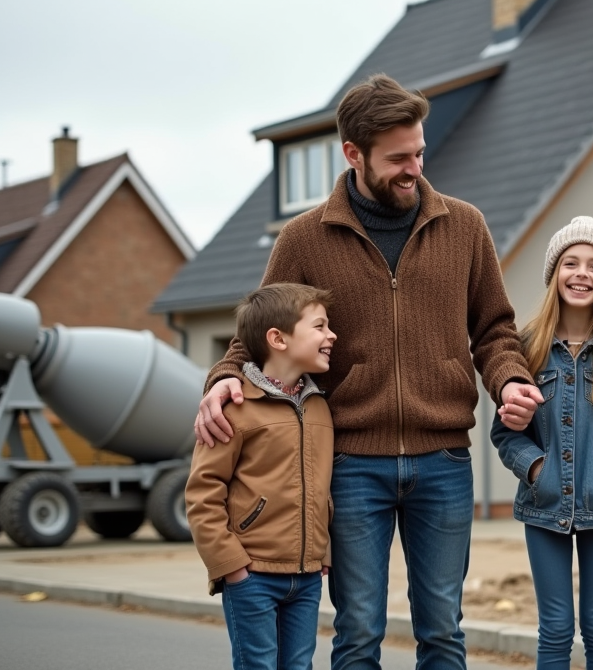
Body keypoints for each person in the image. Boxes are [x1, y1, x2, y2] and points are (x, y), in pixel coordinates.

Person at [193, 73, 543, 670]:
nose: (415, 168)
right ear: (353, 154)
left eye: (420, 153)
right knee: (357, 631)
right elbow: (259, 331)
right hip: (351, 462)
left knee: (443, 630)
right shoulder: (304, 238)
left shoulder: (465, 226)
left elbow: (494, 329)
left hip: (444, 460)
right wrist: (223, 376)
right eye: (398, 158)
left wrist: (510, 379)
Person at [491, 216, 593, 670]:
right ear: (554, 273)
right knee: (556, 628)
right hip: (544, 505)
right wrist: (537, 470)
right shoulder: (525, 348)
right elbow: (506, 432)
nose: (582, 274)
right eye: (571, 263)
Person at [185, 282, 338, 670]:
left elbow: (321, 488)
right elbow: (203, 494)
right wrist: (231, 566)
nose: (332, 335)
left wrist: (321, 551)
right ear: (278, 339)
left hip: (306, 576)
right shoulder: (235, 408)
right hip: (252, 575)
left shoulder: (320, 407)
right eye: (319, 326)